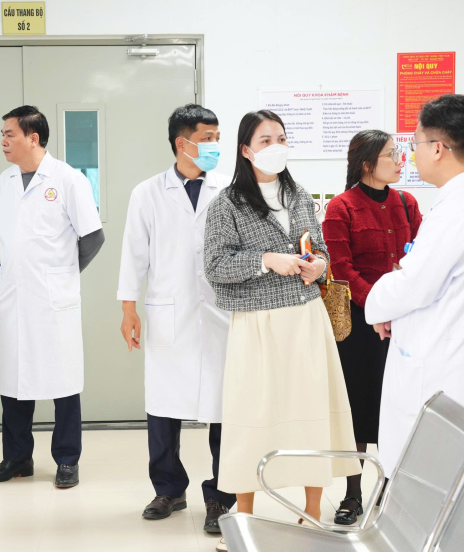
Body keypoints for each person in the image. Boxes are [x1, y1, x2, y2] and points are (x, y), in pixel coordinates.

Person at [204, 110, 360, 551]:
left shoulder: (299, 194)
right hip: (257, 324)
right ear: (246, 150)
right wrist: (266, 260)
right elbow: (215, 266)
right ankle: (245, 519)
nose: (276, 146)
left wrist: (319, 265)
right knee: (251, 417)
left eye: (282, 138)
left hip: (306, 319)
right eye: (265, 139)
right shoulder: (228, 203)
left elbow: (321, 249)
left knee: (313, 412)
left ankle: (311, 515)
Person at [365, 94, 464, 480]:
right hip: (458, 358)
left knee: (429, 476)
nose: (412, 154)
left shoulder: (458, 209)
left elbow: (414, 285)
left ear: (438, 148)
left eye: (415, 144)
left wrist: (378, 304)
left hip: (441, 368)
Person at [117, 104, 236, 534]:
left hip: (223, 311)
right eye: (207, 139)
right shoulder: (147, 193)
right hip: (168, 311)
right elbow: (134, 253)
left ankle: (221, 496)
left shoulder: (230, 190)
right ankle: (168, 489)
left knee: (224, 406)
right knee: (163, 405)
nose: (214, 146)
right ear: (181, 143)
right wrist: (128, 308)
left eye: (217, 137)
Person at [0, 106, 104, 488]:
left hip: (52, 299)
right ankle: (17, 458)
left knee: (63, 380)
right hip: (12, 295)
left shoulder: (68, 179)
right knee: (12, 378)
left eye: (10, 134)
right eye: (2, 134)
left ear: (33, 138)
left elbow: (93, 236)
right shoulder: (4, 182)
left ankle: (67, 459)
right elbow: (7, 238)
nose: (3, 141)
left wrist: (61, 275)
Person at [322, 130, 422, 524]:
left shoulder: (407, 203)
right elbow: (342, 270)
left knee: (400, 407)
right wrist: (379, 310)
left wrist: (397, 309)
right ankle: (353, 495)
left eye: (399, 153)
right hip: (362, 326)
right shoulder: (341, 208)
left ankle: (393, 489)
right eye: (391, 154)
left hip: (403, 323)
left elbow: (419, 259)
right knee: (359, 410)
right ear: (367, 163)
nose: (400, 161)